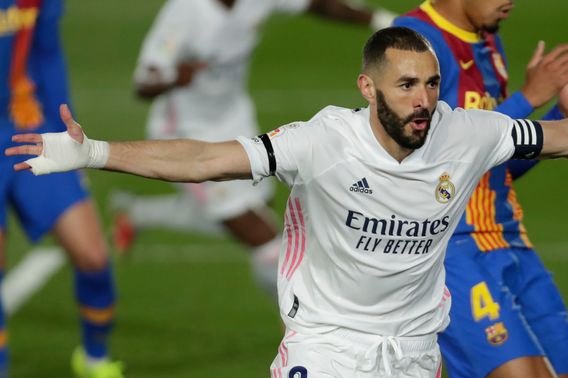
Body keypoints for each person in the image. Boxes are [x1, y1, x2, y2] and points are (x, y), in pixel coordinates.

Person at [7, 27, 568, 378]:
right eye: (407, 85)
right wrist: (97, 153)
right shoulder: (322, 141)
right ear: (369, 88)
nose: (423, 99)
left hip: (410, 363)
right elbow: (207, 158)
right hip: (326, 352)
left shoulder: (468, 136)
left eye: (432, 84)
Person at [394, 1, 568, 378]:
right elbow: (427, 157)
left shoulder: (488, 42)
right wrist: (527, 97)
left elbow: (495, 161)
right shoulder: (414, 39)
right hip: (453, 249)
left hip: (508, 239)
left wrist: (561, 116)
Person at [110, 0, 397, 293]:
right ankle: (296, 334)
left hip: (234, 121)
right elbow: (143, 81)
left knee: (253, 212)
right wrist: (175, 76)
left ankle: (137, 213)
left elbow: (318, 5)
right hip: (185, 134)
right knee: (267, 240)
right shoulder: (186, 11)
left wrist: (383, 20)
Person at [0, 0, 147, 378]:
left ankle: (95, 359)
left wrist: (66, 132)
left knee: (92, 255)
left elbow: (46, 52)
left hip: (22, 125)